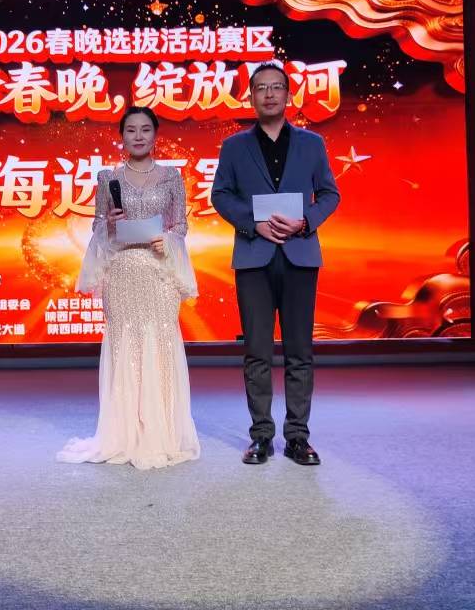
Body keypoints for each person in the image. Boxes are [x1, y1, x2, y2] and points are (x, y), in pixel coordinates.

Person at [56, 106, 200, 470]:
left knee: (160, 342)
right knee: (125, 345)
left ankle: (161, 433)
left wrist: (167, 239)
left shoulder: (171, 177)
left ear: (155, 135)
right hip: (121, 272)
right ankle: (124, 433)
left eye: (145, 129)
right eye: (131, 130)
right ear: (121, 135)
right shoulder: (109, 178)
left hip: (159, 273)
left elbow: (181, 225)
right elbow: (97, 227)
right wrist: (109, 223)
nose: (138, 136)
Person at [211, 62, 340, 466]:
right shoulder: (234, 146)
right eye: (261, 88)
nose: (269, 94)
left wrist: (306, 222)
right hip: (254, 257)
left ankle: (298, 437)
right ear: (250, 97)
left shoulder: (312, 143)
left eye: (276, 87)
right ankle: (261, 436)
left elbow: (330, 194)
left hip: (300, 254)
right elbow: (220, 195)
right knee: (257, 351)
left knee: (300, 351)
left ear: (288, 95)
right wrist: (253, 225)